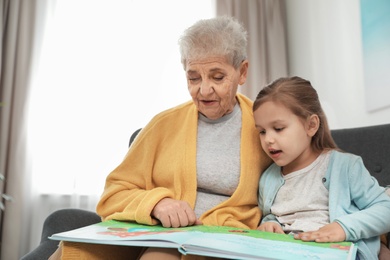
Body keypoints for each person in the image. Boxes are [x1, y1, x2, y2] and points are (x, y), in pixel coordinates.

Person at [49, 16, 271, 260]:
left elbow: (300, 181)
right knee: (72, 252)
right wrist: (157, 203)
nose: (204, 90)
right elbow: (113, 194)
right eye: (193, 77)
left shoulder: (264, 125)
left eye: (217, 77)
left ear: (242, 72)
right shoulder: (162, 125)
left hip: (223, 238)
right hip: (155, 231)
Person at [252, 76, 390, 260]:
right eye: (262, 131)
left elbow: (385, 208)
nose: (268, 139)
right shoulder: (268, 178)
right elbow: (271, 215)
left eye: (278, 128)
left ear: (311, 125)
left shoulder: (345, 167)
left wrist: (343, 228)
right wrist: (268, 224)